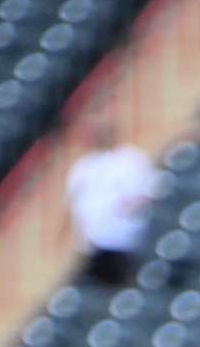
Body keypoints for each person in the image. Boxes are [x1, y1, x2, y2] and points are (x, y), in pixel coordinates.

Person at [65, 123, 159, 289]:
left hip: (123, 239)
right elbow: (72, 200)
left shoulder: (130, 158)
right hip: (92, 242)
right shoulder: (84, 166)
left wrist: (125, 208)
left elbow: (149, 192)